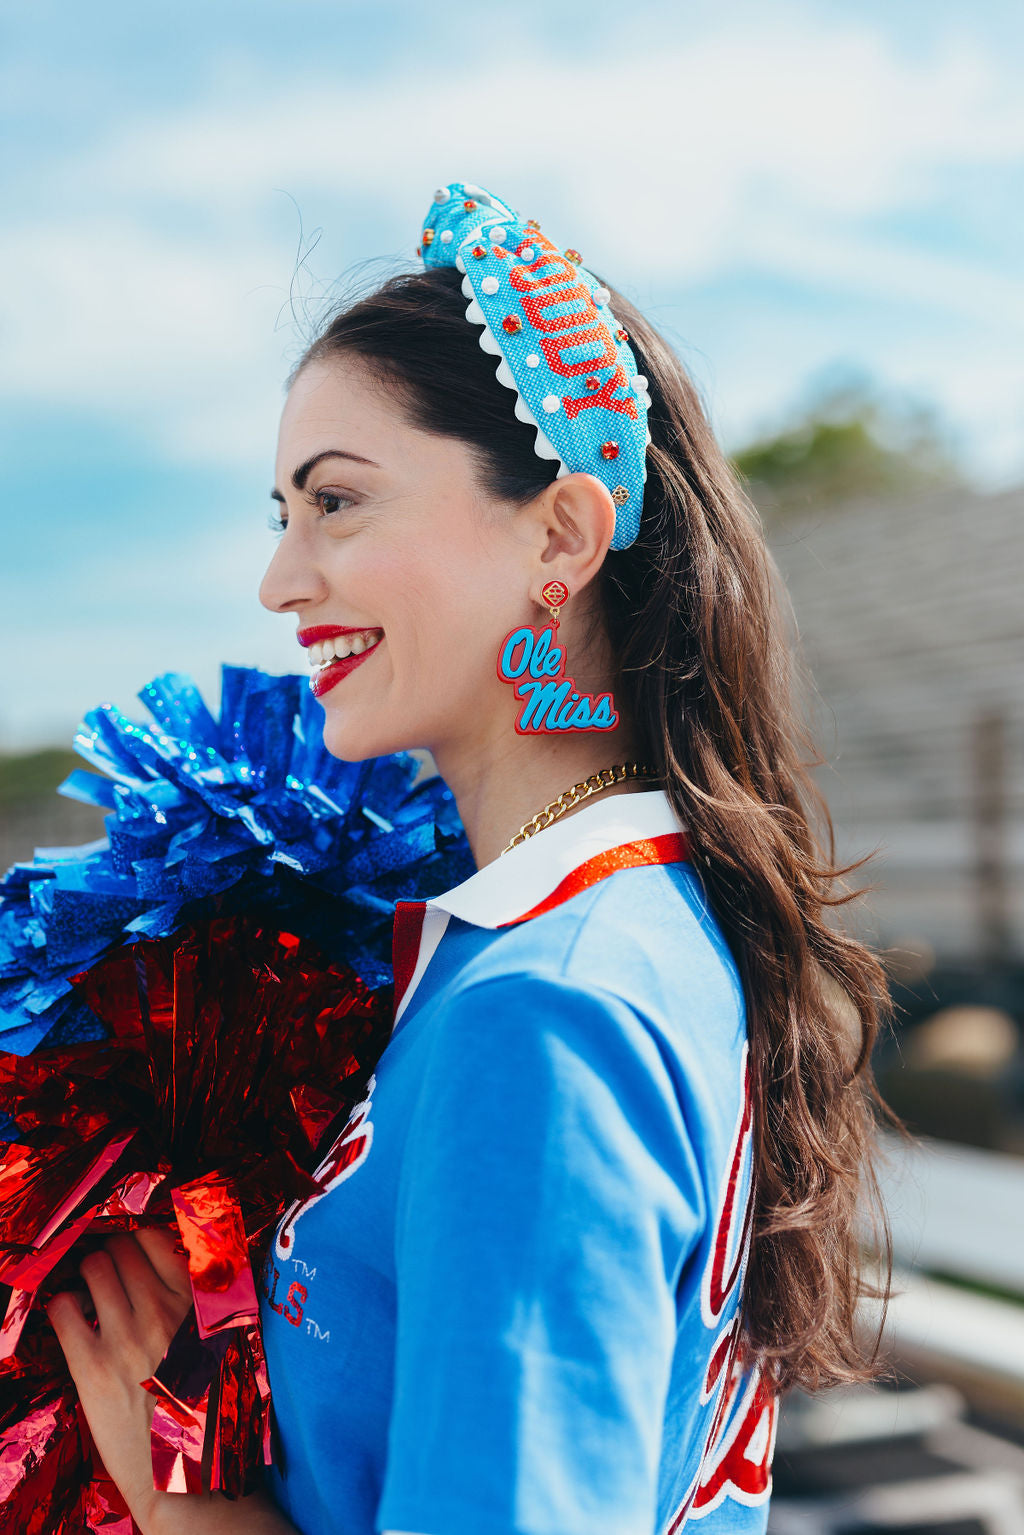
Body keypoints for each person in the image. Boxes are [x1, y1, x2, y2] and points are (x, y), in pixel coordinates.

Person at [47, 181, 892, 1535]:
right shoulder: (623, 929)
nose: (282, 579)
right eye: (283, 512)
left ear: (559, 535)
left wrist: (182, 1496)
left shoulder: (545, 1014)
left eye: (337, 503)